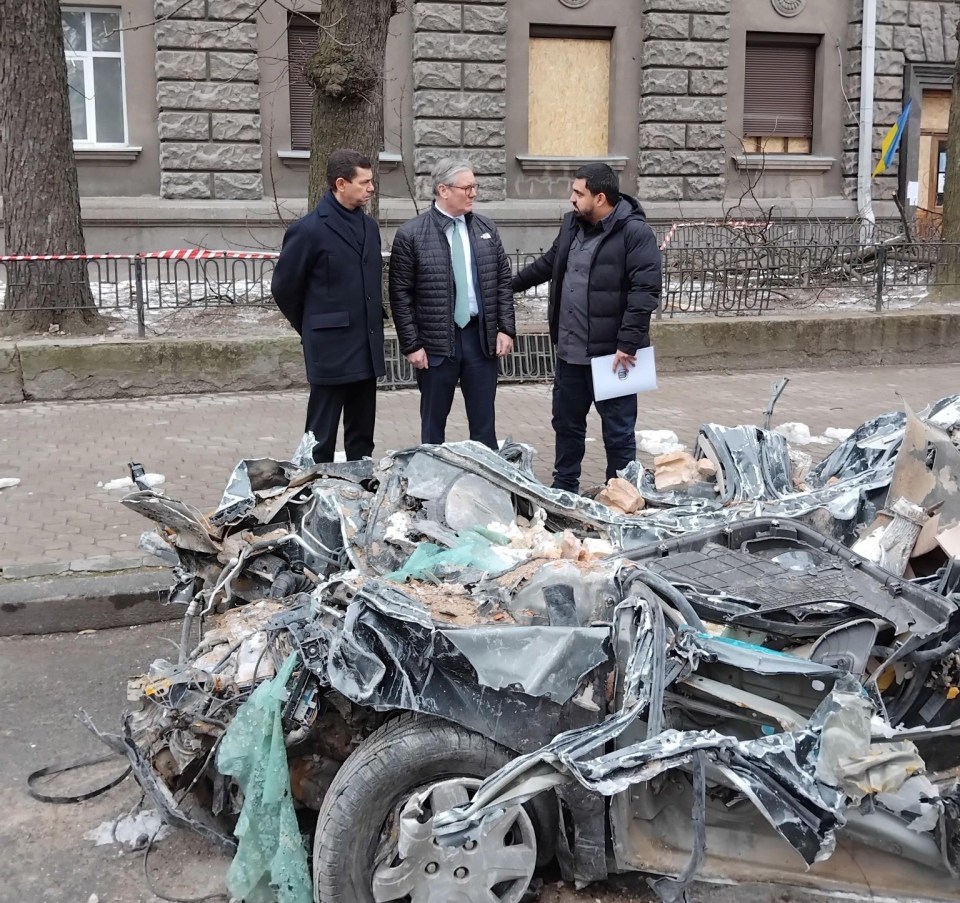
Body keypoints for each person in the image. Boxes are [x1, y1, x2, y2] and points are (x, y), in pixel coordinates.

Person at [512, 162, 661, 494]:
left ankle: (621, 495)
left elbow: (645, 292)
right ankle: (564, 491)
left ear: (601, 197)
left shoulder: (635, 233)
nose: (572, 199)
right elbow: (549, 264)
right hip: (570, 353)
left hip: (616, 356)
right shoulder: (571, 225)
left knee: (619, 433)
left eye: (579, 193)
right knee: (566, 427)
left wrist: (628, 344)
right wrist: (507, 285)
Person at [389, 158, 515, 449]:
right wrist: (412, 344)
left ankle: (486, 482)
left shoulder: (486, 230)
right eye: (467, 187)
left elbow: (502, 284)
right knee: (433, 425)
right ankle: (431, 485)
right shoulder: (411, 235)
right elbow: (401, 295)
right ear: (443, 190)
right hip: (435, 344)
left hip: (480, 339)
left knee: (484, 424)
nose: (473, 193)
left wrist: (506, 329)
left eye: (475, 186)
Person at [271, 149, 385, 463]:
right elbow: (284, 288)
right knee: (321, 436)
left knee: (362, 433)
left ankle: (359, 487)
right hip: (330, 349)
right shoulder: (309, 230)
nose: (371, 188)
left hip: (366, 343)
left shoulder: (370, 228)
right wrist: (310, 325)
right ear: (340, 184)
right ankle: (315, 491)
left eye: (371, 181)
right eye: (364, 182)